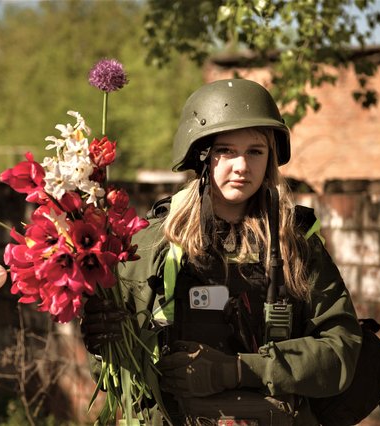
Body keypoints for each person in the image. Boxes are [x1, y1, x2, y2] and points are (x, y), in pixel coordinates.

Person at [81, 78, 362, 425]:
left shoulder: (297, 243)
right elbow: (115, 377)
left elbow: (341, 351)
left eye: (255, 151)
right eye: (225, 151)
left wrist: (237, 370)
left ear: (270, 157)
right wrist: (102, 342)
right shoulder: (152, 244)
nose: (241, 165)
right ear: (201, 158)